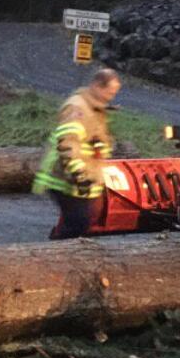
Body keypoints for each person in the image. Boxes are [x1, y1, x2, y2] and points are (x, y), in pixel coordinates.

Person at [32, 68, 120, 239]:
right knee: (78, 222)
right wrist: (80, 174)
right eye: (109, 92)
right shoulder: (78, 108)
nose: (112, 97)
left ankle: (64, 253)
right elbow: (68, 143)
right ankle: (60, 256)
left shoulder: (94, 109)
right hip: (65, 178)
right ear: (96, 86)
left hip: (80, 177)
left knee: (80, 223)